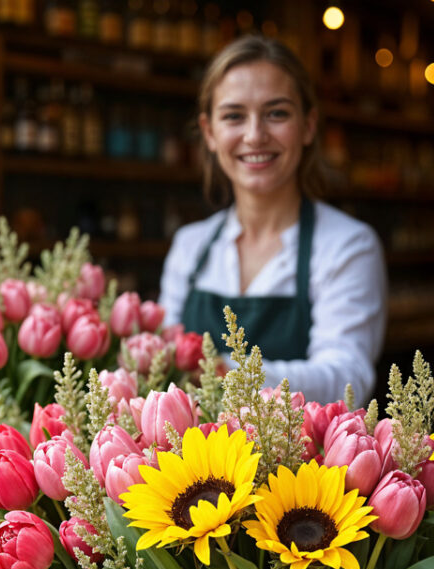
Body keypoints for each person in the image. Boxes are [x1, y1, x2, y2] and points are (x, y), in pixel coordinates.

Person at [159, 36, 386, 404]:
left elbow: (348, 381)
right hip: (196, 461)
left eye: (276, 113)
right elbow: (162, 365)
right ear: (210, 133)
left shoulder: (348, 245)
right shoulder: (190, 245)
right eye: (234, 116)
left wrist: (224, 372)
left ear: (309, 126)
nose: (255, 135)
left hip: (303, 461)